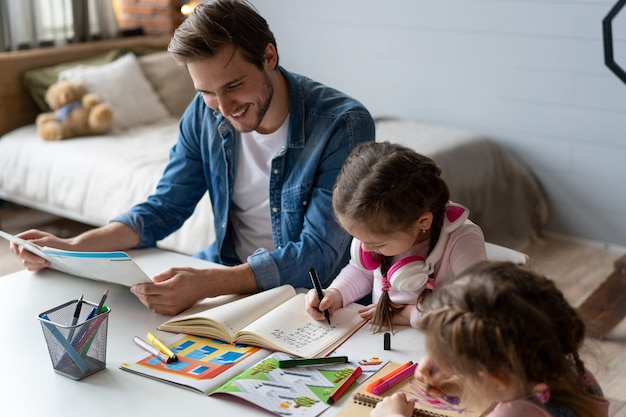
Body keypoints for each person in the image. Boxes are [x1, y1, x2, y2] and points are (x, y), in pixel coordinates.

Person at [9, 0, 375, 315]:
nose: (224, 108)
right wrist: (72, 247)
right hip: (226, 268)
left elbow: (319, 254)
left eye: (233, 86)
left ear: (269, 57)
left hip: (312, 296)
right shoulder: (204, 115)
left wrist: (209, 284)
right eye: (207, 92)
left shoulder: (342, 125)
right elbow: (166, 206)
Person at [371, 260, 609, 417]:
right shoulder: (569, 370)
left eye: (464, 370)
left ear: (498, 377)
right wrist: (453, 359)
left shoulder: (514, 413)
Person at [305, 141, 486, 332]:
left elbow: (476, 308)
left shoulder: (462, 240)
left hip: (438, 345)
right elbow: (362, 271)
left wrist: (409, 315)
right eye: (359, 238)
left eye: (377, 244)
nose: (365, 249)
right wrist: (335, 293)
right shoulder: (382, 233)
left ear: (423, 221)